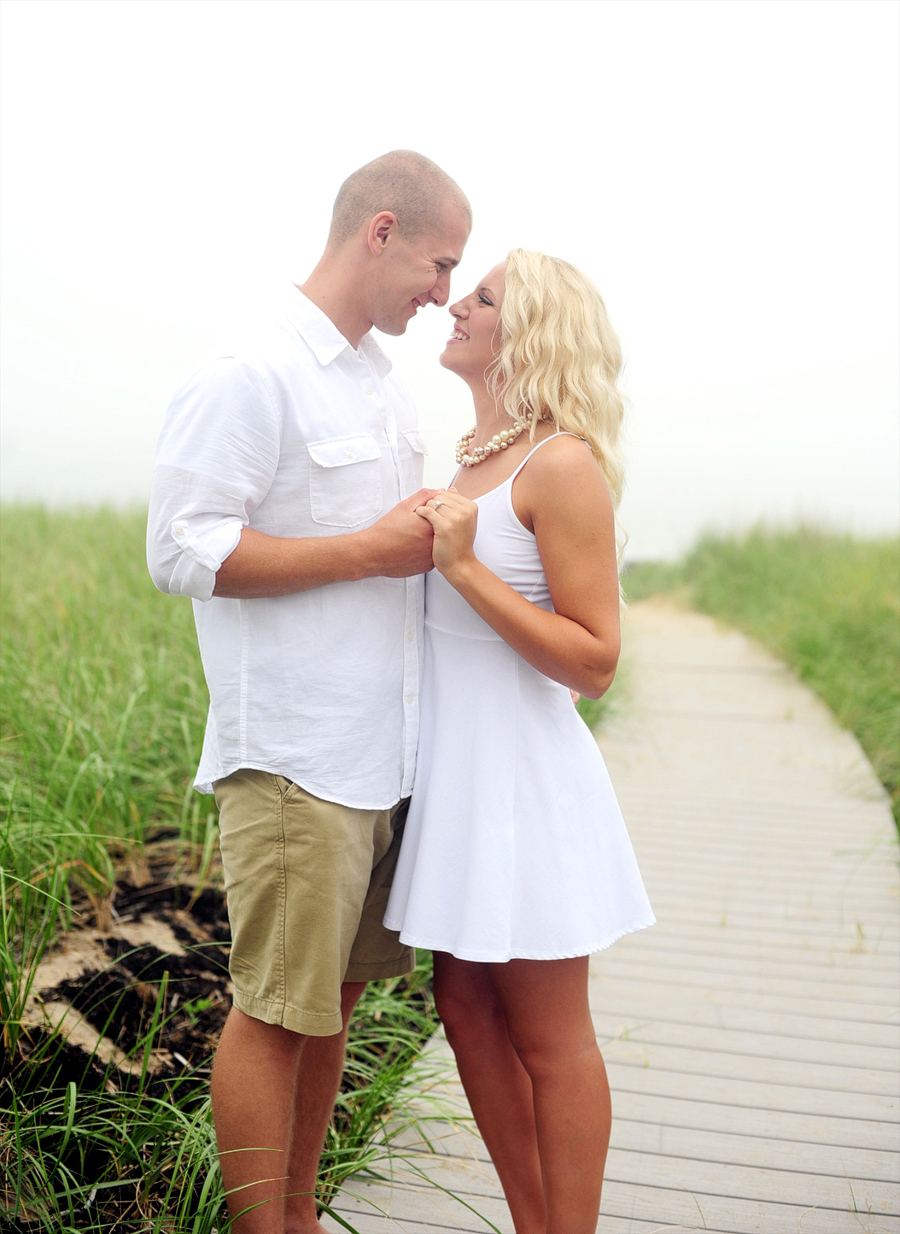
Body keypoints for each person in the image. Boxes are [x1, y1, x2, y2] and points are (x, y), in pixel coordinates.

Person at [146, 150, 470, 1234]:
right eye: (439, 262)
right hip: (295, 755)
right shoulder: (250, 369)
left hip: (378, 753)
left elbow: (375, 547)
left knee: (326, 1005)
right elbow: (183, 552)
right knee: (272, 1011)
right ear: (379, 231)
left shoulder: (379, 382)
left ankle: (297, 1215)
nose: (442, 291)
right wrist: (369, 552)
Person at [384, 249, 655, 1234]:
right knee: (465, 1013)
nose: (457, 303)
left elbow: (593, 661)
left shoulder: (563, 463)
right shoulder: (469, 458)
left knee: (549, 1035)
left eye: (484, 296)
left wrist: (461, 567)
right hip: (458, 786)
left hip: (528, 788)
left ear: (528, 332)